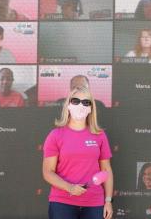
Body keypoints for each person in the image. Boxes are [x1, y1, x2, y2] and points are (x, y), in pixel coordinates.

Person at [42, 87, 114, 219]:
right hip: (62, 202)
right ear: (68, 105)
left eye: (86, 102)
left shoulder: (99, 135)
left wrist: (108, 201)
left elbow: (106, 170)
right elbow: (48, 172)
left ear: (91, 108)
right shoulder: (55, 135)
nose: (81, 105)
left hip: (94, 203)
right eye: (75, 101)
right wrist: (70, 188)